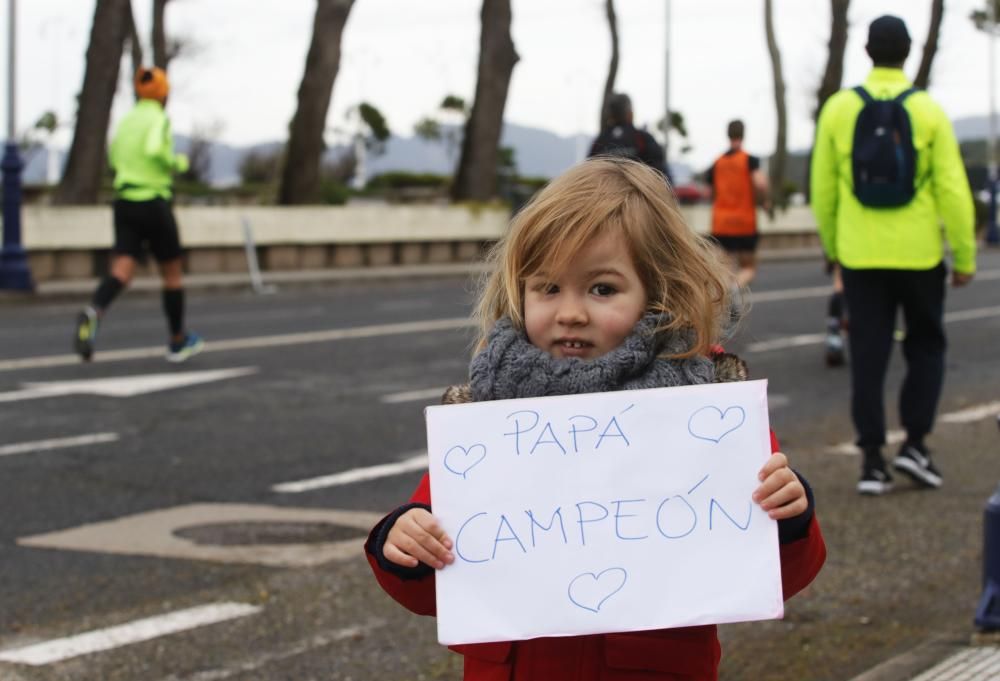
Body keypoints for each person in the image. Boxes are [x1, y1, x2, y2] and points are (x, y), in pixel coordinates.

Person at [366, 158, 826, 681]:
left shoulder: (705, 408)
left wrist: (789, 517)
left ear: (658, 293)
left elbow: (775, 571)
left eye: (602, 289)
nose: (571, 313)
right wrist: (401, 542)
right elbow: (431, 580)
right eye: (548, 288)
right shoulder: (487, 412)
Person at [811, 15, 976, 495]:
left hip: (861, 256)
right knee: (925, 346)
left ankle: (871, 461)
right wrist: (963, 256)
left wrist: (834, 248)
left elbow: (823, 189)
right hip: (920, 253)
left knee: (868, 355)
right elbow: (952, 188)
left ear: (866, 51)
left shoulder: (839, 109)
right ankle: (916, 445)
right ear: (907, 52)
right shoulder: (927, 110)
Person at [73, 66, 203, 363]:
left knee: (121, 270)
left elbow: (114, 156)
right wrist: (177, 162)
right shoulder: (158, 118)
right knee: (172, 273)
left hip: (125, 201)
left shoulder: (127, 120)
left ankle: (95, 311)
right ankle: (177, 340)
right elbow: (155, 148)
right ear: (164, 94)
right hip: (153, 201)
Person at [706, 120, 771, 288]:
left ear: (728, 134)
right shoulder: (749, 160)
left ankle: (728, 298)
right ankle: (735, 289)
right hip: (744, 223)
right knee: (748, 268)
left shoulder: (717, 162)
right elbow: (761, 183)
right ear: (743, 134)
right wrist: (764, 201)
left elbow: (710, 192)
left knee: (725, 269)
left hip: (721, 223)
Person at [589, 93, 673, 185]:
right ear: (630, 113)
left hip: (603, 196)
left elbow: (587, 173)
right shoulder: (642, 138)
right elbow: (662, 176)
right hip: (637, 196)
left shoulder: (599, 141)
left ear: (610, 116)